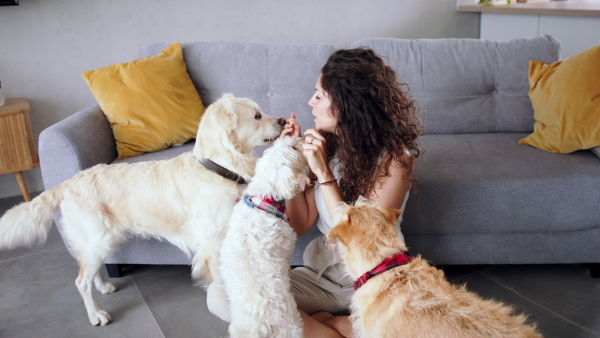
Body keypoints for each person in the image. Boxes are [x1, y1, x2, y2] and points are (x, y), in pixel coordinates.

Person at [206, 47, 423, 338]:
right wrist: (291, 154)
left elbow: (360, 235)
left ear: (346, 104)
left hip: (368, 279)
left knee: (259, 311)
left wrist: (323, 173)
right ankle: (334, 326)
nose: (310, 102)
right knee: (223, 293)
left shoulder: (396, 160)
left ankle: (329, 330)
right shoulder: (327, 144)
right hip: (319, 274)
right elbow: (300, 222)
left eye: (319, 96)